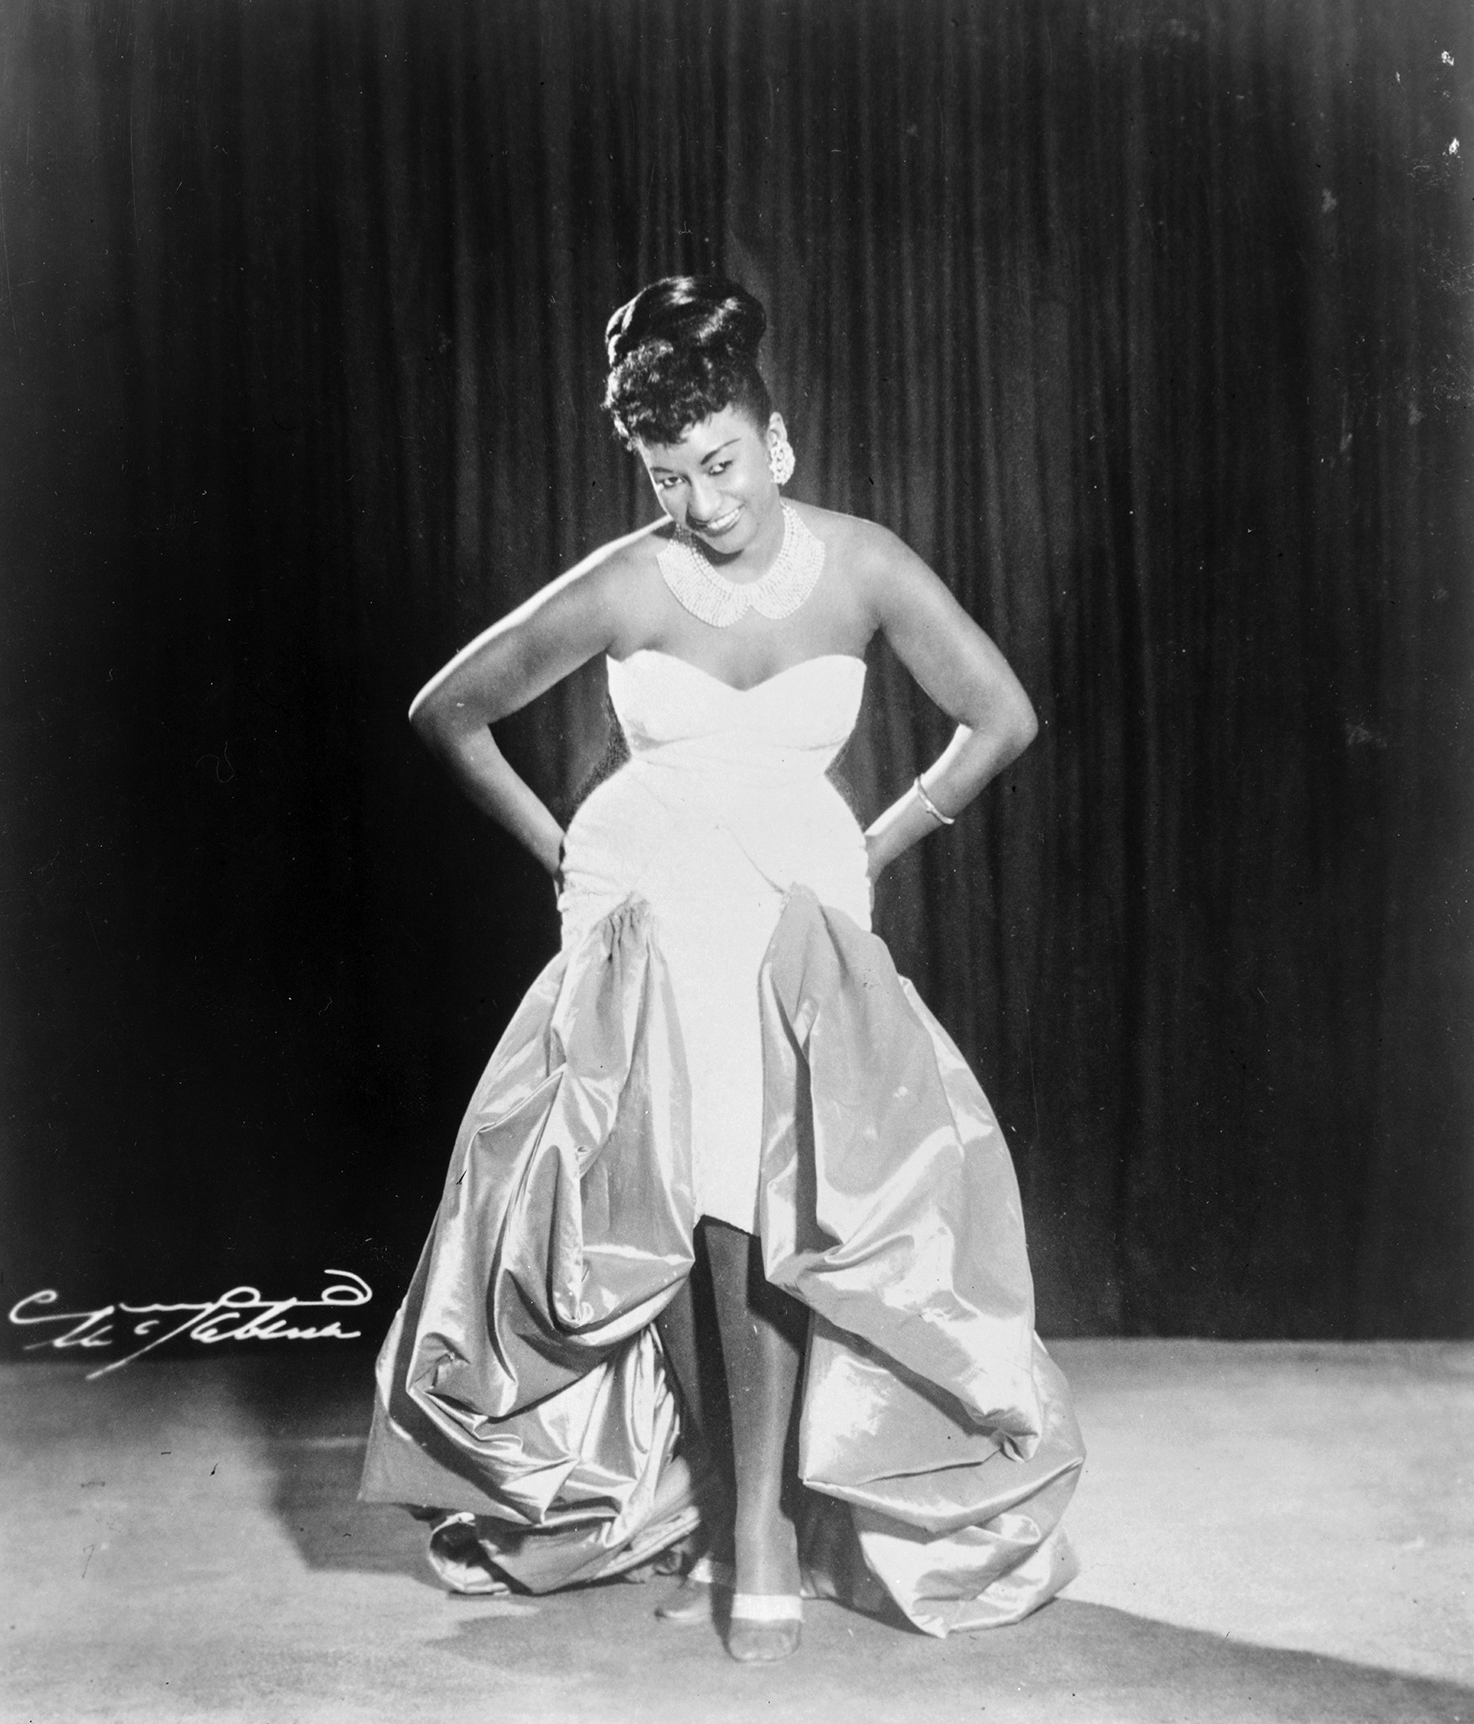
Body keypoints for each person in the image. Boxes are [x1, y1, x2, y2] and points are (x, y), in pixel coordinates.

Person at [359, 276, 1083, 1663]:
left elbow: (1000, 716)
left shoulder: (864, 562)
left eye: (723, 463)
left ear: (781, 442)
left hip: (792, 909)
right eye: (669, 474)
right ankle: (738, 1518)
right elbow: (449, 711)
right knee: (679, 1200)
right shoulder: (630, 578)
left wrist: (877, 836)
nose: (703, 501)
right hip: (652, 905)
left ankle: (759, 1521)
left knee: (777, 1202)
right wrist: (563, 850)